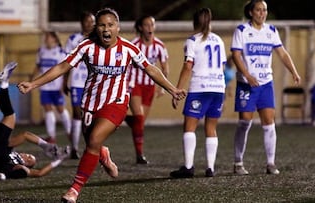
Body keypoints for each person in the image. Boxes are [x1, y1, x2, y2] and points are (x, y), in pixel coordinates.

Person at [17, 8, 186, 203]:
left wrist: (172, 88)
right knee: (92, 144)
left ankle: (74, 189)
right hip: (90, 103)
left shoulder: (128, 48)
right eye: (102, 25)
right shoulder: (86, 46)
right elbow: (63, 67)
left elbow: (150, 69)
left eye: (110, 25)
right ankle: (103, 154)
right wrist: (33, 84)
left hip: (116, 102)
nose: (106, 29)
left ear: (118, 27)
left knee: (95, 139)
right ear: (96, 28)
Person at [231, 0, 300, 175]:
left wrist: (293, 71)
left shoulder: (271, 31)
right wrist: (247, 74)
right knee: (245, 121)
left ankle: (270, 163)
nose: (262, 13)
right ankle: (238, 162)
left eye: (265, 10)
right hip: (247, 84)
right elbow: (236, 55)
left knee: (269, 122)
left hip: (265, 83)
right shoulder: (242, 31)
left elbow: (282, 53)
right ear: (251, 12)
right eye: (259, 10)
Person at [0, 62, 69, 180]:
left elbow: (39, 173)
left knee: (20, 170)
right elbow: (25, 135)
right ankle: (4, 83)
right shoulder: (10, 150)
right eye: (29, 156)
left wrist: (58, 160)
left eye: (28, 159)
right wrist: (46, 146)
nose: (26, 156)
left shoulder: (19, 165)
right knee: (10, 115)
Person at [169, 8, 227, 178]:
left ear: (195, 22)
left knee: (190, 126)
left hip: (200, 88)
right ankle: (210, 168)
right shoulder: (219, 40)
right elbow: (222, 66)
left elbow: (188, 66)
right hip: (217, 87)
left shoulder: (193, 40)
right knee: (211, 128)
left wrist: (177, 89)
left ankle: (188, 167)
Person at [125, 15, 170, 164]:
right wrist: (126, 84)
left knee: (140, 122)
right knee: (139, 117)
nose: (150, 28)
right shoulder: (134, 44)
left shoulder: (159, 46)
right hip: (135, 84)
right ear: (140, 28)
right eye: (146, 25)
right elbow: (126, 65)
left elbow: (165, 67)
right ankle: (139, 154)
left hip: (149, 86)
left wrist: (162, 86)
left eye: (152, 25)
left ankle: (125, 118)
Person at [64, 11, 95, 159]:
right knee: (77, 115)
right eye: (87, 21)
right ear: (82, 23)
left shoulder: (98, 39)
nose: (90, 24)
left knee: (90, 116)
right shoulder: (73, 39)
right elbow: (67, 63)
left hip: (94, 83)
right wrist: (64, 81)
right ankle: (74, 149)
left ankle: (92, 147)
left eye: (92, 21)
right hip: (77, 82)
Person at [32, 31, 71, 144]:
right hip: (44, 86)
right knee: (47, 109)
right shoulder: (41, 51)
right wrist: (32, 80)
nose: (46, 39)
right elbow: (38, 66)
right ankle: (51, 136)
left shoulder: (60, 52)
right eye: (46, 37)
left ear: (54, 39)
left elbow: (64, 69)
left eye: (48, 37)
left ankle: (69, 132)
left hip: (56, 86)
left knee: (60, 109)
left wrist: (63, 84)